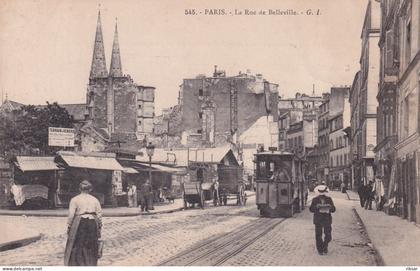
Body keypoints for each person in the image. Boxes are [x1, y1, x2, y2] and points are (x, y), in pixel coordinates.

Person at [64, 180, 102, 266]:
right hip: (92, 222)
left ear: (79, 189)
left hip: (79, 223)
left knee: (78, 244)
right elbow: (99, 214)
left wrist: (69, 226)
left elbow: (71, 214)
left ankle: (79, 264)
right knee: (91, 244)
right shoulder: (95, 200)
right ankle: (90, 263)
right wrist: (99, 226)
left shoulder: (75, 199)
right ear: (90, 189)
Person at [309, 184, 336, 255]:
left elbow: (334, 209)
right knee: (318, 235)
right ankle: (320, 250)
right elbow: (311, 209)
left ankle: (325, 245)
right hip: (318, 219)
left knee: (328, 235)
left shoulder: (329, 199)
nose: (322, 195)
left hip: (327, 219)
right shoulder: (315, 200)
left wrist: (330, 207)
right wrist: (316, 207)